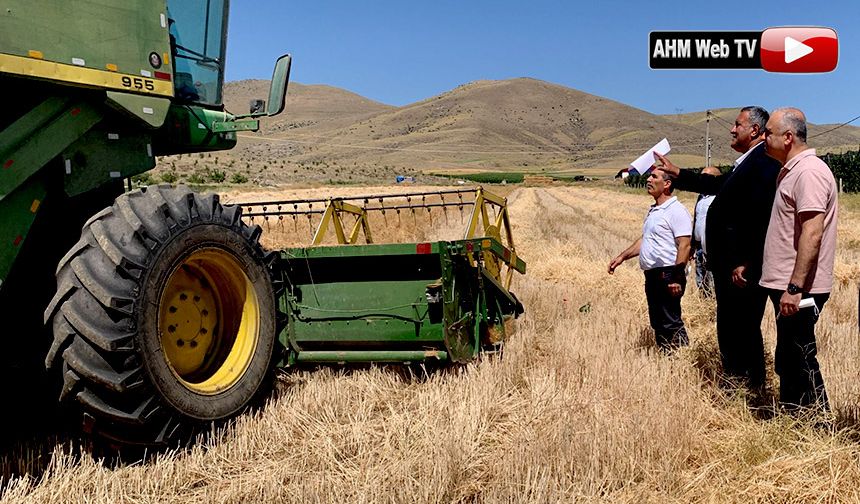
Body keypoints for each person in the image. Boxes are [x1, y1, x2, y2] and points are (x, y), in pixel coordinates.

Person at [655, 107, 781, 392]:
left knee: (743, 328)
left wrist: (747, 260)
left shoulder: (762, 163)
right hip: (728, 266)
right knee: (732, 326)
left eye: (738, 125)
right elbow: (716, 184)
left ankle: (750, 387)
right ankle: (736, 382)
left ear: (755, 131)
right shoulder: (746, 163)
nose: (732, 129)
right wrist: (677, 172)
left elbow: (761, 217)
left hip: (741, 269)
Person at [760, 107, 837, 412]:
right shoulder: (794, 171)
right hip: (788, 286)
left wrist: (795, 288)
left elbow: (812, 232)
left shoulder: (809, 172)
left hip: (799, 289)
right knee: (789, 358)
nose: (764, 137)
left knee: (800, 356)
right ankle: (794, 419)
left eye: (769, 132)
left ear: (788, 137)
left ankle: (817, 426)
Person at [608, 168, 692, 351]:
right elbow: (646, 239)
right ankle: (666, 358)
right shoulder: (655, 210)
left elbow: (685, 245)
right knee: (658, 321)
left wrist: (677, 277)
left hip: (669, 272)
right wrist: (622, 257)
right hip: (653, 274)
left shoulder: (676, 211)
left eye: (654, 176)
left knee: (670, 321)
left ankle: (682, 359)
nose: (648, 179)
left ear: (667, 184)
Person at [692, 166, 721, 297]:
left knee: (714, 283)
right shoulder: (701, 197)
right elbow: (696, 219)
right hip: (699, 247)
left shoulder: (719, 197)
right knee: (701, 281)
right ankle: (704, 306)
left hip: (713, 249)